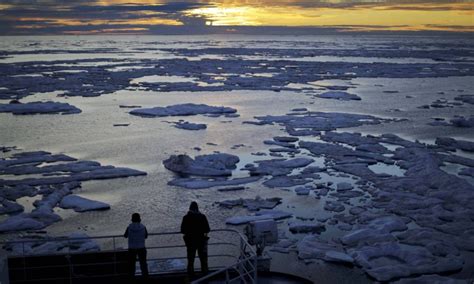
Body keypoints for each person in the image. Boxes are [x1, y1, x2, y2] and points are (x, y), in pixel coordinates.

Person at [180, 201, 210, 276]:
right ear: (197, 208)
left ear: (190, 208)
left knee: (190, 261)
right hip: (201, 242)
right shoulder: (202, 217)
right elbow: (207, 229)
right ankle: (205, 276)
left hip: (190, 242)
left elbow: (182, 230)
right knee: (203, 261)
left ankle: (191, 277)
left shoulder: (186, 218)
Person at [124, 213, 149, 279]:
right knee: (143, 264)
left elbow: (125, 235)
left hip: (132, 248)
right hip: (141, 248)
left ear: (132, 219)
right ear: (139, 219)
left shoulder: (129, 227)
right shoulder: (143, 227)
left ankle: (131, 277)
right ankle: (145, 278)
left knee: (131, 265)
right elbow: (146, 236)